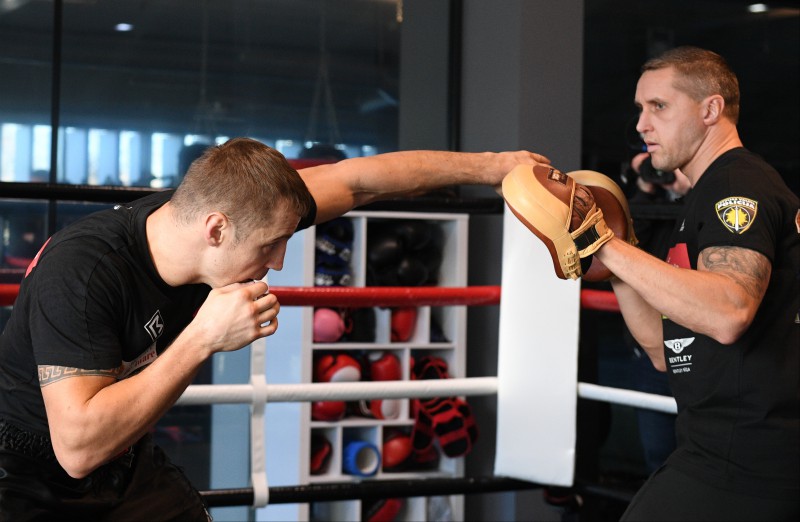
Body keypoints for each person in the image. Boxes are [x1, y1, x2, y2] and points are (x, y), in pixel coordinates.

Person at [0, 137, 549, 520]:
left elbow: (359, 182)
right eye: (270, 244)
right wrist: (202, 338)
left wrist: (495, 167)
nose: (280, 261)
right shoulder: (85, 273)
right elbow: (77, 448)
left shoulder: (221, 220)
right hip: (24, 474)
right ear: (217, 229)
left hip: (123, 464)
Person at [591, 47, 798, 520]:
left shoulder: (736, 186)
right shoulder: (707, 193)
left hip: (749, 460)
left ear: (710, 110)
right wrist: (609, 255)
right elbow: (665, 350)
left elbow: (728, 312)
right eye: (640, 109)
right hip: (716, 450)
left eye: (658, 107)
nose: (641, 125)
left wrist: (605, 244)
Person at [623, 152, 689, 475]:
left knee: (707, 455)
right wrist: (646, 188)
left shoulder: (712, 198)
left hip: (702, 353)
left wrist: (690, 185)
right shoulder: (650, 206)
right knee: (658, 458)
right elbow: (627, 244)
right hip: (652, 354)